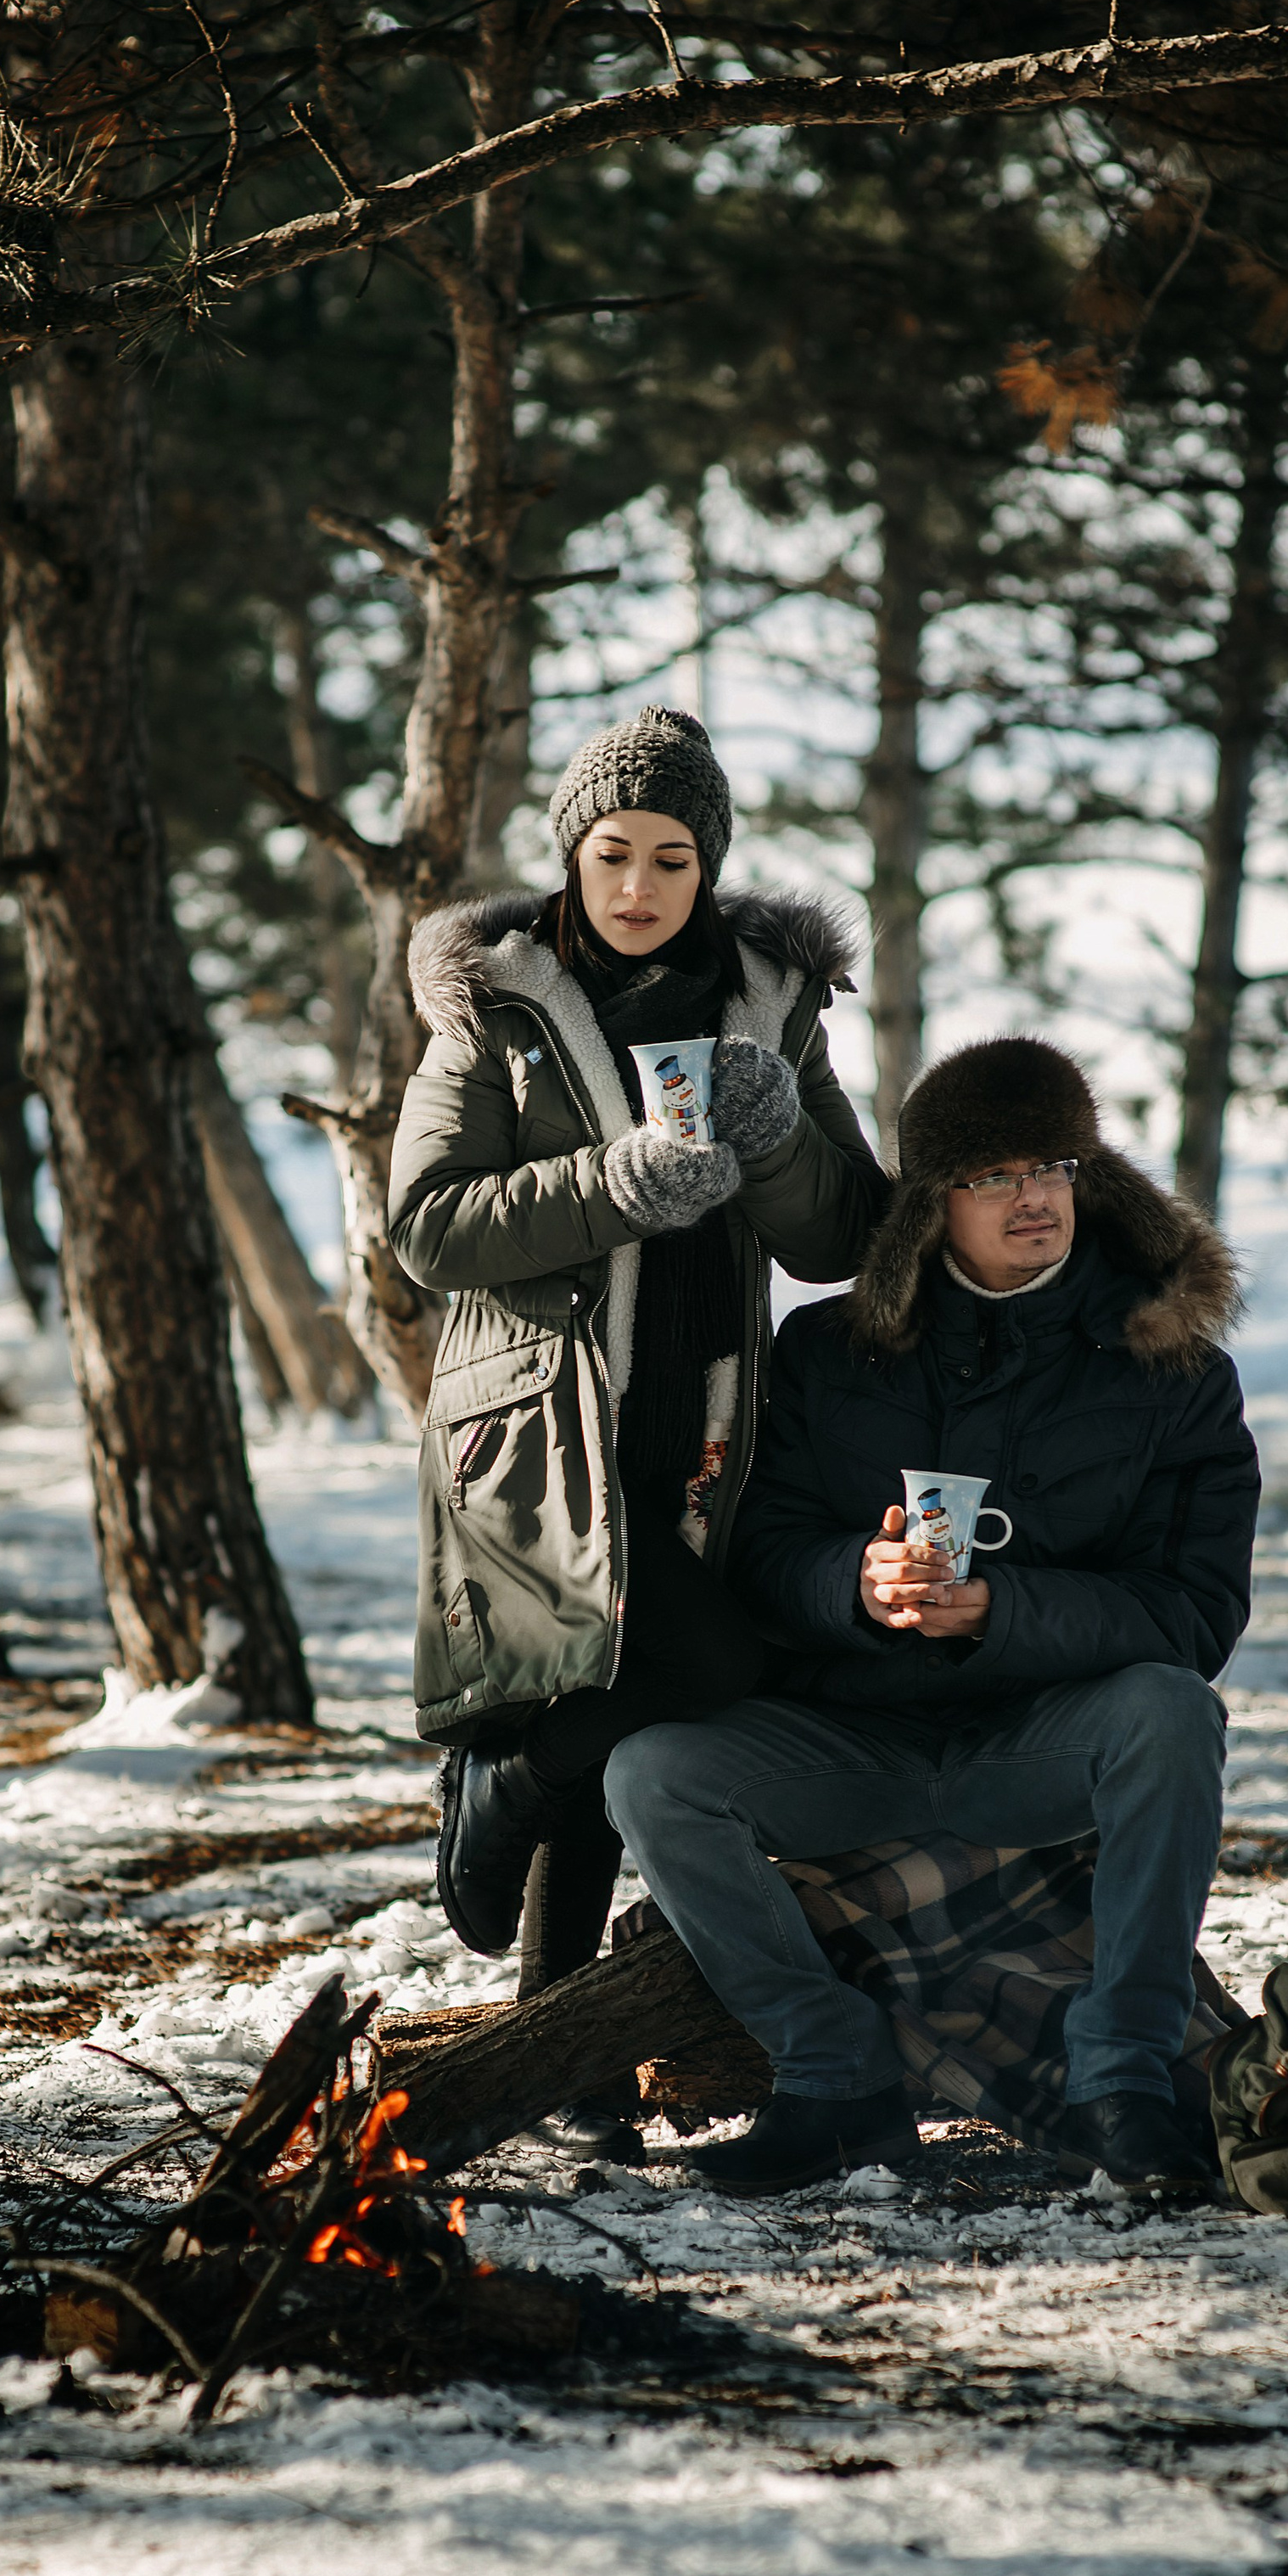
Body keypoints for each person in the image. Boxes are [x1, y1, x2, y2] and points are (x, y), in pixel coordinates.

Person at [604, 1033, 1260, 2194]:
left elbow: (1193, 1614)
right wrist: (852, 1584)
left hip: (1040, 1739)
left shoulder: (1172, 1370)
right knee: (654, 1772)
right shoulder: (826, 1351)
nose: (1034, 1198)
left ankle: (1127, 2082)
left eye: (1054, 1165)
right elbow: (756, 1551)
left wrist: (1002, 1613)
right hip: (857, 1736)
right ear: (931, 1202)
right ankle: (832, 2078)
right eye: (992, 1176)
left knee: (1171, 1713)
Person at [387, 704, 884, 2155]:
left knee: (640, 1708)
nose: (639, 884)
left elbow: (848, 1232)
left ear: (709, 863)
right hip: (539, 1430)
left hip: (712, 1430)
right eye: (614, 852)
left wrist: (777, 1130)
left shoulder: (774, 1005)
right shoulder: (502, 1000)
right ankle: (504, 1797)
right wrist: (618, 1185)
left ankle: (569, 2052)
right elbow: (427, 1225)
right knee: (684, 1667)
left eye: (673, 856)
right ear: (572, 852)